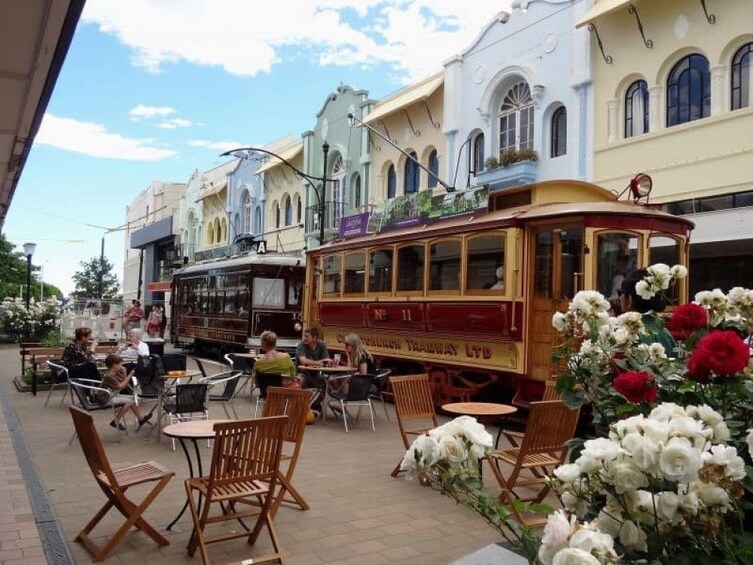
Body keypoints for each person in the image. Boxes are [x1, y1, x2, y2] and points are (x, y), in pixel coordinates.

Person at [618, 268, 676, 352]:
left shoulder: (626, 334)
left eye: (620, 292)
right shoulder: (664, 331)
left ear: (629, 300)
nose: (619, 298)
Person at [96, 353, 151, 430]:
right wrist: (130, 375)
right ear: (114, 365)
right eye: (120, 365)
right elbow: (121, 386)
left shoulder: (114, 373)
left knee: (132, 398)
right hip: (105, 398)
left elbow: (124, 384)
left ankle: (140, 419)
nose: (121, 366)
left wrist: (125, 373)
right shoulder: (110, 376)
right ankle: (116, 420)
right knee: (130, 401)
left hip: (111, 395)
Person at [295, 326, 330, 408]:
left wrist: (314, 363)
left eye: (307, 336)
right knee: (299, 382)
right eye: (304, 336)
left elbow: (327, 360)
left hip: (316, 375)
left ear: (314, 337)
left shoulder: (321, 345)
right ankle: (300, 407)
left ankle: (316, 404)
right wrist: (319, 362)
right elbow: (304, 361)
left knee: (327, 384)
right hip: (303, 374)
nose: (304, 338)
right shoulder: (301, 346)